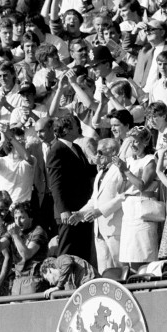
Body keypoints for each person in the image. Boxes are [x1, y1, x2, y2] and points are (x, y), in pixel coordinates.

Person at [69, 138, 125, 273]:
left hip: (115, 229)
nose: (97, 156)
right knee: (104, 271)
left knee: (121, 269)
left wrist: (100, 211)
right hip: (99, 230)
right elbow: (94, 200)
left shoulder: (120, 171)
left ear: (112, 152)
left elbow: (122, 197)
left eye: (100, 152)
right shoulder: (100, 173)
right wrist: (81, 213)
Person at [46, 115, 96, 264]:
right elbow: (56, 183)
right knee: (67, 252)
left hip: (81, 210)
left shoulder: (76, 147)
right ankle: (64, 285)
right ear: (67, 129)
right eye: (75, 125)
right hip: (68, 212)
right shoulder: (56, 150)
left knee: (82, 252)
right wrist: (63, 210)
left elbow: (87, 172)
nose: (79, 128)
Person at [113, 127, 159, 270]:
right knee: (129, 255)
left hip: (143, 210)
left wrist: (125, 170)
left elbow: (142, 185)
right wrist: (121, 172)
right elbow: (120, 189)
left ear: (145, 142)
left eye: (136, 142)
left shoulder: (150, 160)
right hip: (129, 211)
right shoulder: (129, 161)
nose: (132, 145)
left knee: (143, 253)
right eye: (130, 141)